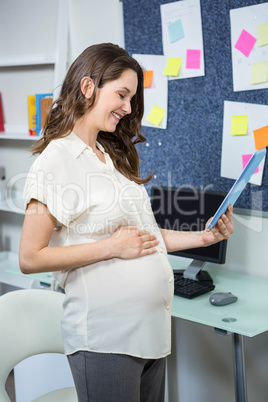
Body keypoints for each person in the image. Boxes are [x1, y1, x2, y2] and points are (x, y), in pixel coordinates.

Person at [19, 43, 234, 402]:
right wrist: (111, 247)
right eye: (122, 94)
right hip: (105, 338)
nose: (128, 108)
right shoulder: (55, 162)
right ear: (88, 88)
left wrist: (204, 237)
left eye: (132, 98)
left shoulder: (112, 156)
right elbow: (30, 257)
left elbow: (145, 237)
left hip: (151, 333)